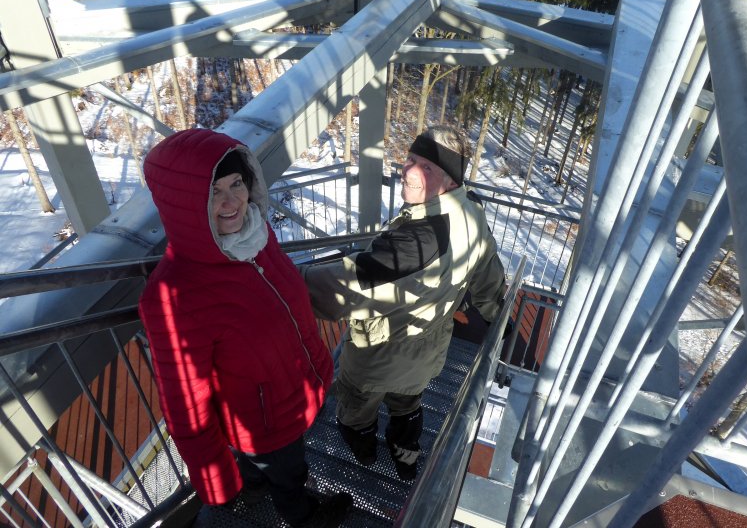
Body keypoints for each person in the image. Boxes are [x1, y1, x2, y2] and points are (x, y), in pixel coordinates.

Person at [138, 128, 352, 527]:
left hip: (295, 392)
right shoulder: (174, 294)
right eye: (213, 192)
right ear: (185, 205)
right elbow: (186, 405)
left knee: (271, 468)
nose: (231, 200)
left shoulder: (255, 235)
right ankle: (303, 517)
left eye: (237, 183)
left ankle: (253, 483)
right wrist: (214, 478)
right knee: (290, 476)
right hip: (265, 425)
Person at [302, 124, 506, 480]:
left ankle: (363, 452)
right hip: (429, 352)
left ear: (451, 181)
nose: (409, 170)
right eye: (410, 159)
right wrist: (494, 320)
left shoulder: (419, 243)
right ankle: (406, 458)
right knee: (407, 403)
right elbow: (490, 276)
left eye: (427, 168)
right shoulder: (472, 215)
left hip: (377, 358)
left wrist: (279, 281)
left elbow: (342, 288)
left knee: (355, 409)